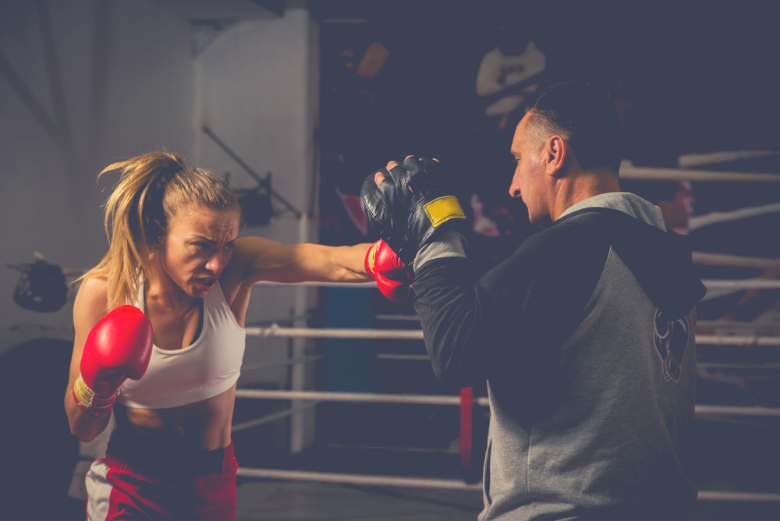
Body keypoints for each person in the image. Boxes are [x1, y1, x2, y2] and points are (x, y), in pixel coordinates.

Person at [363, 82, 706, 520]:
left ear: (553, 154)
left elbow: (455, 353)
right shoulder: (663, 248)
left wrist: (435, 235)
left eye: (517, 159)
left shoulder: (573, 246)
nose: (511, 185)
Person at [65, 152, 411, 520]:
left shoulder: (237, 270)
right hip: (132, 490)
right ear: (157, 231)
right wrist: (97, 385)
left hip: (213, 487)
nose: (217, 263)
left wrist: (393, 254)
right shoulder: (106, 293)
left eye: (227, 245)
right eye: (201, 245)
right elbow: (82, 428)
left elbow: (332, 260)